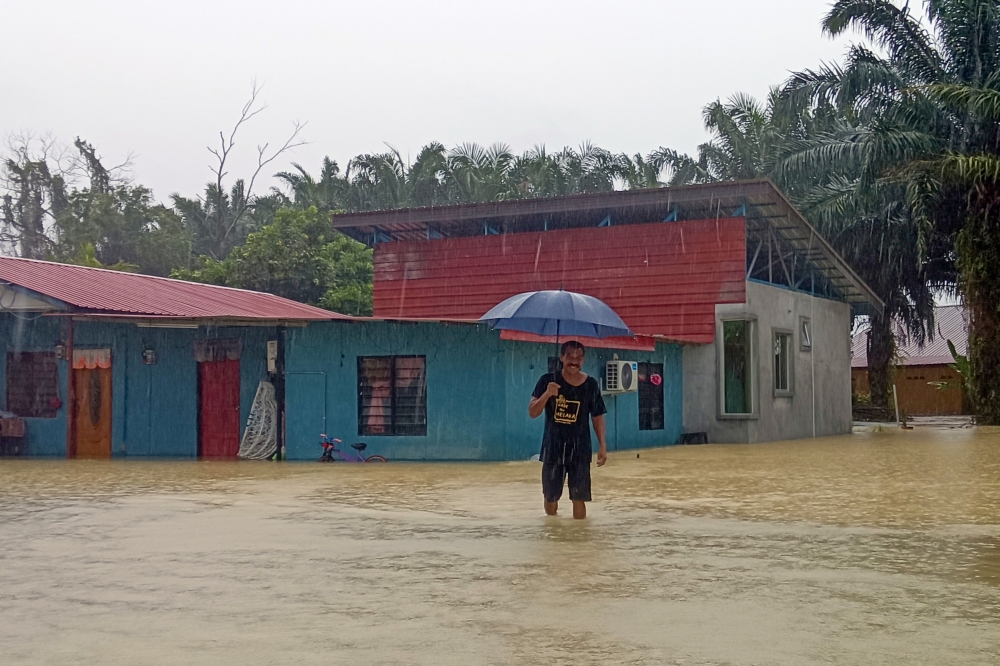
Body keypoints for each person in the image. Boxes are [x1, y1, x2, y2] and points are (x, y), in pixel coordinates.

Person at [528, 340, 608, 519]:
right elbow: (532, 412)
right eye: (570, 356)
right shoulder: (547, 381)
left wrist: (602, 444)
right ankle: (553, 529)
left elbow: (598, 416)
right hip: (553, 449)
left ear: (583, 360)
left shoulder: (591, 385)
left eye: (579, 358)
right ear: (561, 357)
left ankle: (579, 541)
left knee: (579, 498)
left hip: (580, 450)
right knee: (550, 497)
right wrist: (547, 394)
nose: (574, 361)